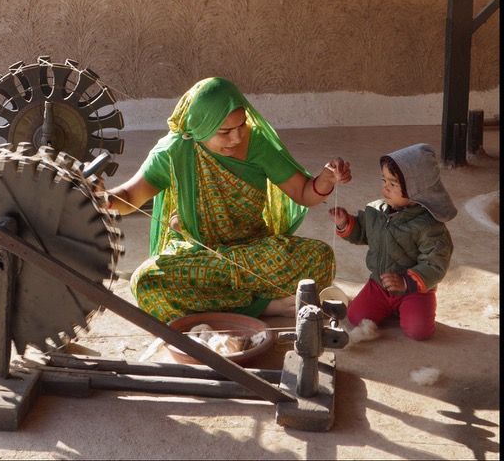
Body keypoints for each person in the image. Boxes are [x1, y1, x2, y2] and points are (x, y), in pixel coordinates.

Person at [104, 77, 351, 323]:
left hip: (253, 252)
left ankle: (221, 305)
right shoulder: (174, 152)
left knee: (321, 257)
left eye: (241, 126)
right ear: (201, 127)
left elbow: (302, 192)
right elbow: (130, 196)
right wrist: (107, 200)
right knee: (146, 282)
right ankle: (267, 307)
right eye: (225, 132)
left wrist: (327, 180)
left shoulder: (256, 144)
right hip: (199, 256)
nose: (236, 138)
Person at [328, 143, 457, 340]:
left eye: (393, 184)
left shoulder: (431, 227)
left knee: (418, 332)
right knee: (355, 317)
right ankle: (390, 307)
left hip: (415, 290)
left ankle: (409, 307)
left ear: (417, 192)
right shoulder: (375, 211)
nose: (384, 187)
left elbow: (435, 263)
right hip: (379, 285)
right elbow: (362, 232)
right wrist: (346, 223)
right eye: (384, 180)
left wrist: (406, 282)